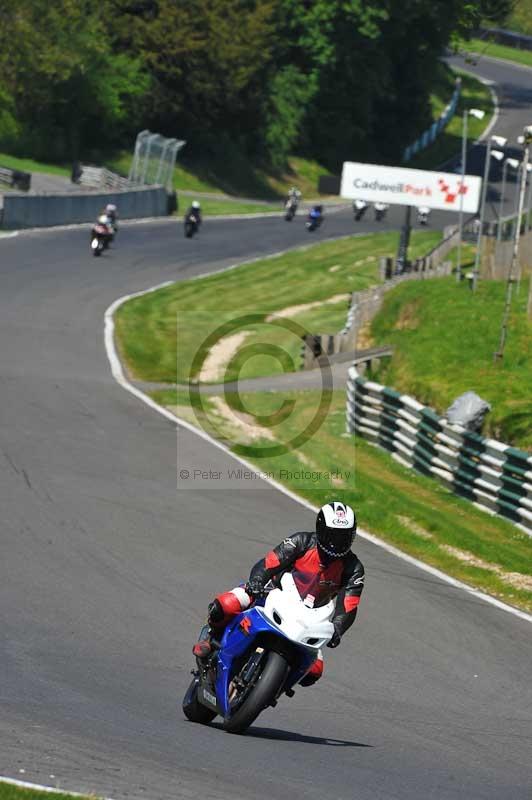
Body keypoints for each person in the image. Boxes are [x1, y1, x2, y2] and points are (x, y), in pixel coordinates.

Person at [193, 501, 364, 687]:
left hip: (309, 618)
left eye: (343, 537)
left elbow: (349, 605)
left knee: (314, 670)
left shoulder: (353, 568)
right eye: (332, 535)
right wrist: (257, 581)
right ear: (321, 528)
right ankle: (210, 640)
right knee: (226, 604)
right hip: (271, 593)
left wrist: (338, 629)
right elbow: (269, 562)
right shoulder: (302, 542)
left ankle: (270, 688)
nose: (337, 543)